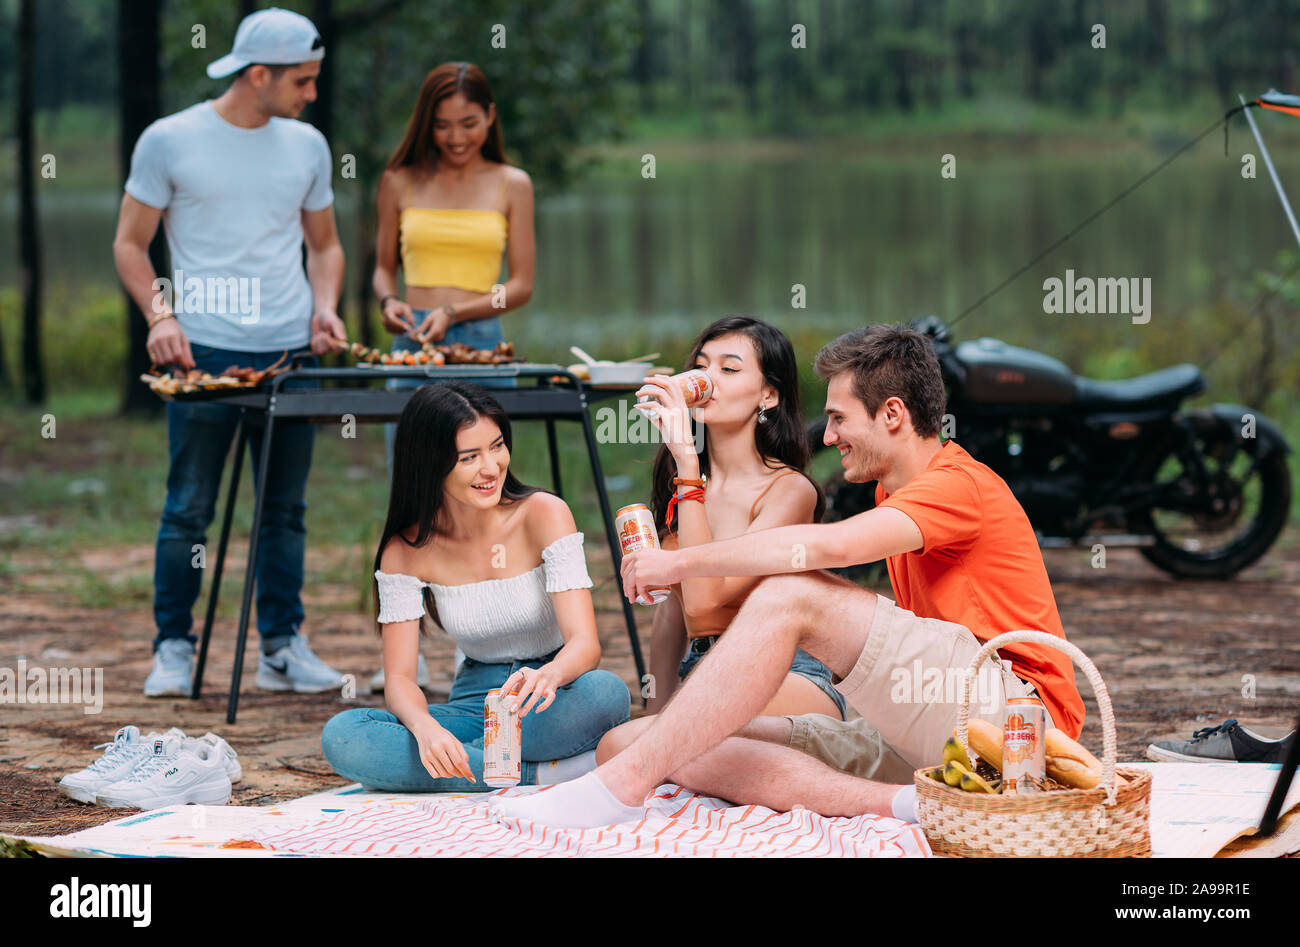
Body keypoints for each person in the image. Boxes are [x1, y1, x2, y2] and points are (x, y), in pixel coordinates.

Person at [489, 324, 1086, 828]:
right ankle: (912, 805)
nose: (826, 438)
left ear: (894, 414)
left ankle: (618, 790)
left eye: (838, 419)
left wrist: (678, 562)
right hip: (946, 729)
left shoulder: (958, 484)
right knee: (653, 739)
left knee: (791, 592)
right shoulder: (891, 488)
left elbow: (828, 547)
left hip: (1019, 719)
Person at [113, 8, 349, 698]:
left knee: (285, 508)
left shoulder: (306, 145)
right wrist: (161, 313)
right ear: (257, 75)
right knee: (188, 508)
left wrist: (324, 307)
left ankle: (280, 646)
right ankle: (173, 649)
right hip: (204, 355)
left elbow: (326, 245)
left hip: (289, 352)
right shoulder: (171, 140)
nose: (311, 93)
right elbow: (130, 242)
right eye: (302, 81)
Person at [320, 382, 630, 791]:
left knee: (605, 694)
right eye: (469, 457)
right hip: (475, 704)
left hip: (549, 697)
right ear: (430, 464)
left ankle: (463, 768)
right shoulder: (405, 551)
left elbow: (585, 645)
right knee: (345, 734)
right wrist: (426, 729)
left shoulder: (544, 514)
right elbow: (399, 680)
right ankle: (542, 771)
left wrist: (551, 675)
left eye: (497, 446)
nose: (491, 468)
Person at [595, 316, 845, 764]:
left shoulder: (790, 492)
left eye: (729, 369)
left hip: (785, 676)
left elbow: (704, 603)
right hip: (705, 674)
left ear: (769, 394)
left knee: (635, 749)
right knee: (624, 749)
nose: (708, 379)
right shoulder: (684, 488)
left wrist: (686, 463)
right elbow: (674, 612)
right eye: (701, 366)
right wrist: (656, 710)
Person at [369, 61, 536, 691]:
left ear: (490, 118)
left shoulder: (510, 182)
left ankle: (489, 644)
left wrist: (459, 312)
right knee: (416, 497)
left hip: (482, 344)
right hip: (411, 343)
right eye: (442, 126)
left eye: (469, 123)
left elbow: (518, 286)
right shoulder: (399, 179)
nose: (457, 136)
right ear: (426, 124)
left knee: (485, 498)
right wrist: (390, 301)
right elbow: (383, 270)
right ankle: (406, 655)